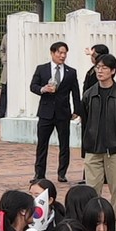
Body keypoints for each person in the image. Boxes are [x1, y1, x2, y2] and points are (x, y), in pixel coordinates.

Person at [76, 54, 116, 203]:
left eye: (104, 67)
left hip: (115, 150)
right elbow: (85, 121)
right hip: (93, 149)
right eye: (97, 67)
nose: (100, 71)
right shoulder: (89, 95)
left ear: (113, 70)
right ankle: (94, 215)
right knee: (91, 190)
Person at [26, 40, 79, 187]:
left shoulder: (71, 72)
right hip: (46, 112)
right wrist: (43, 89)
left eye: (65, 53)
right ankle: (39, 173)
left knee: (64, 144)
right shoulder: (42, 69)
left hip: (63, 113)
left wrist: (77, 110)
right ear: (52, 53)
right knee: (42, 144)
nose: (62, 56)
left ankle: (62, 173)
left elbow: (75, 92)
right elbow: (33, 86)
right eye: (59, 53)